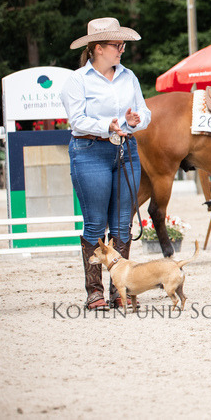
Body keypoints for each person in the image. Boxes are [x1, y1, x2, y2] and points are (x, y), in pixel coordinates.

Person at [61, 18, 151, 310]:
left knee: (123, 224)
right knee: (96, 223)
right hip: (89, 151)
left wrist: (136, 121)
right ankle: (94, 291)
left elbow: (144, 112)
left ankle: (120, 289)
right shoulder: (77, 80)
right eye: (117, 45)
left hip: (126, 149)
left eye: (122, 45)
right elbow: (77, 120)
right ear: (98, 48)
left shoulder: (129, 76)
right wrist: (107, 125)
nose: (122, 49)